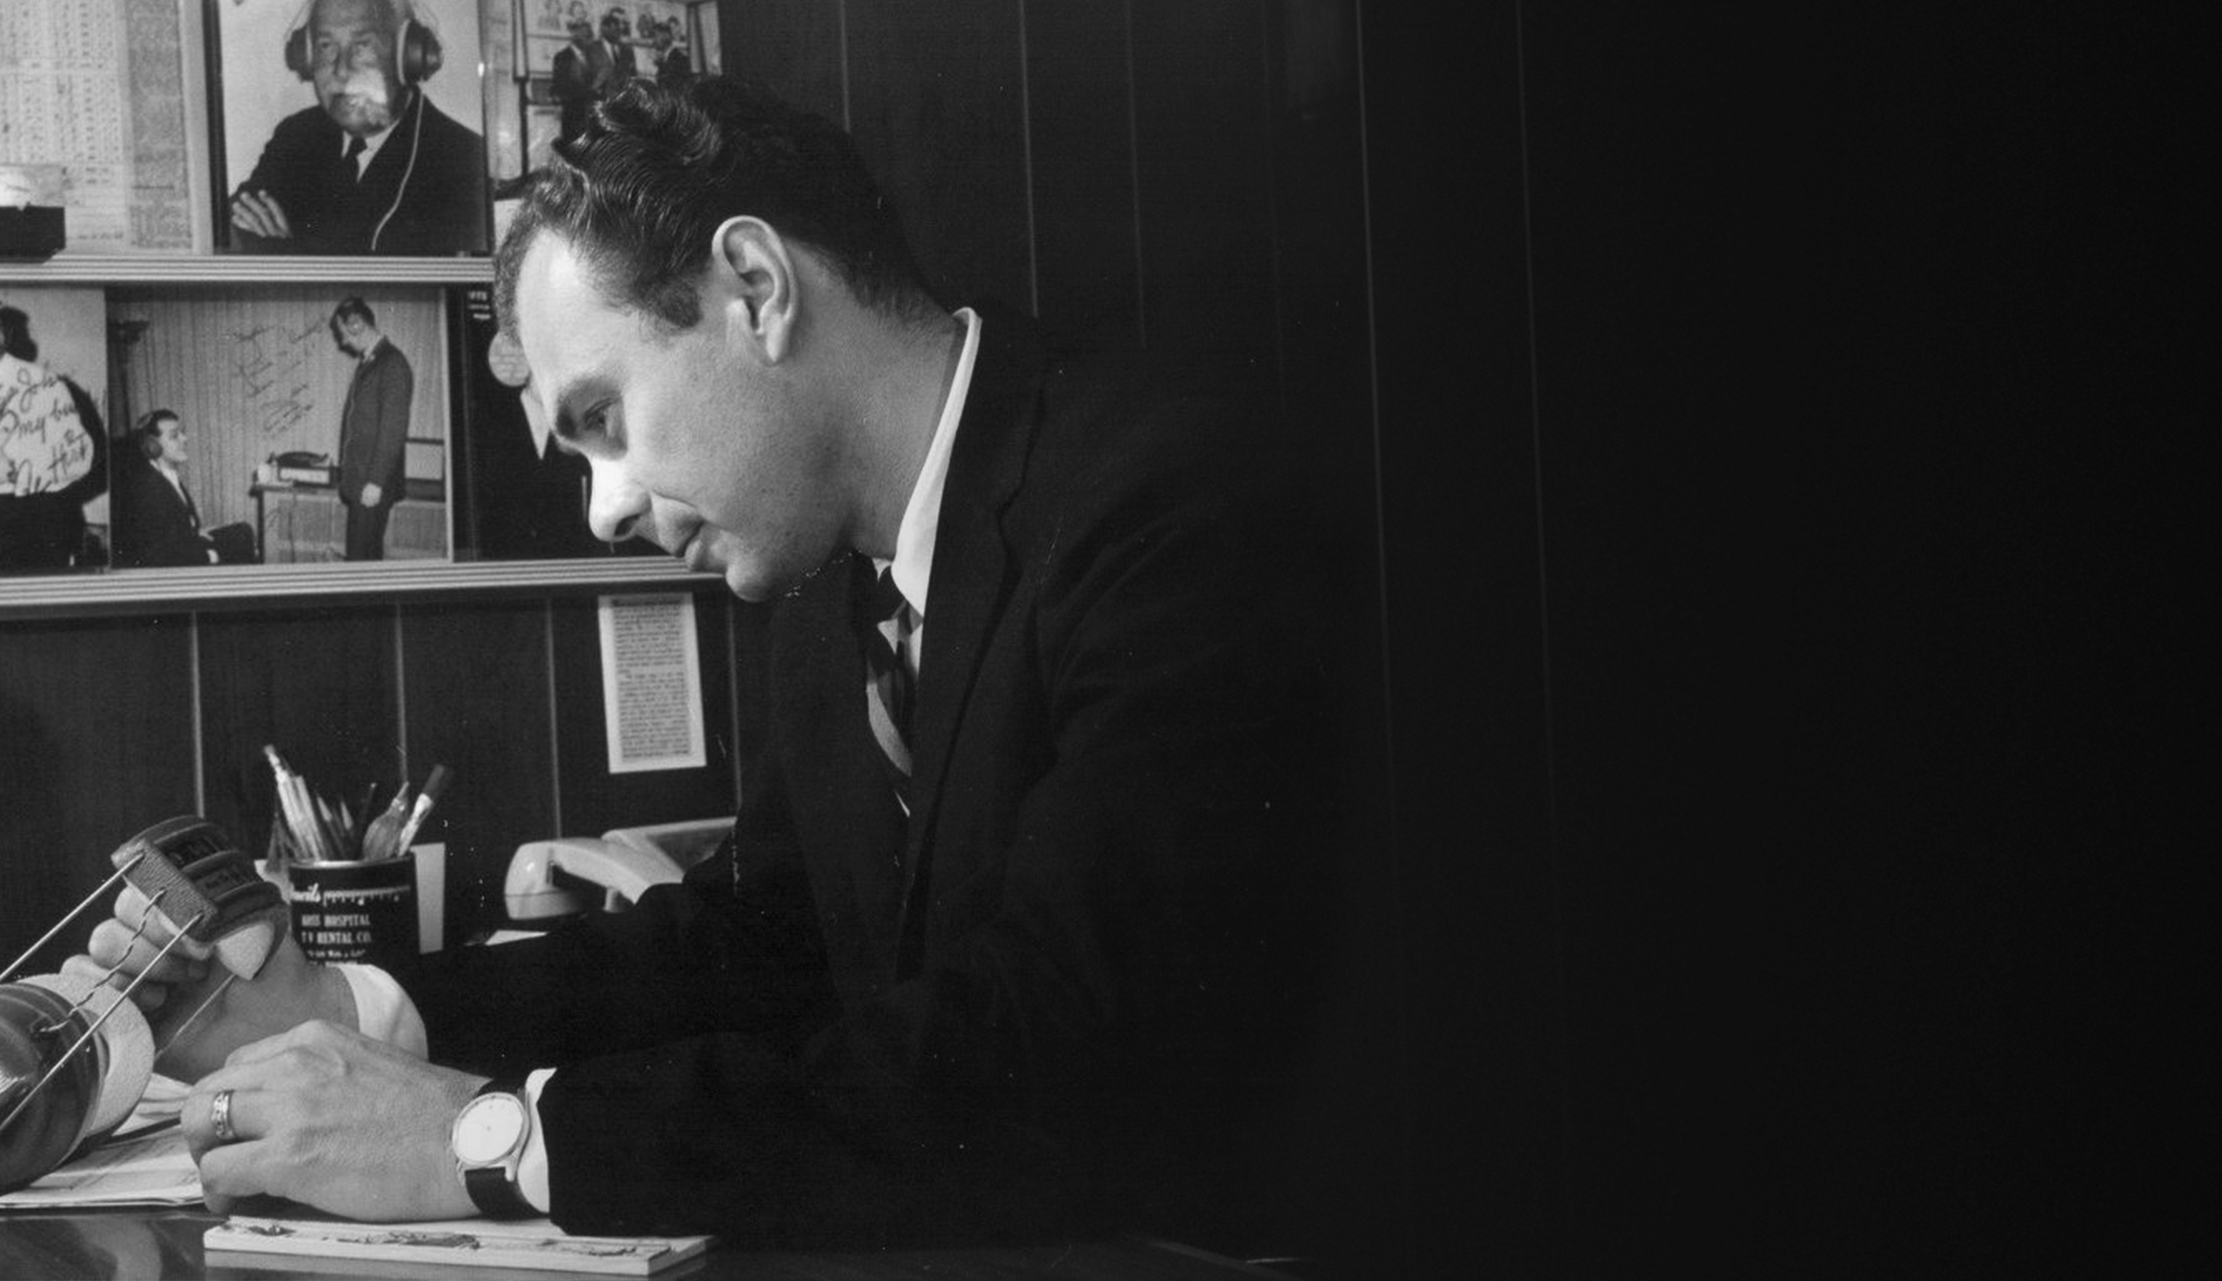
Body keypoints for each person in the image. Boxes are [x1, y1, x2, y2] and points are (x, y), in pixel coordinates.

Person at [74, 77, 1339, 1249]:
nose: (604, 510)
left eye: (603, 419)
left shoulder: (1168, 501)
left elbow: (1063, 1050)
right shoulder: (830, 574)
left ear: (756, 288)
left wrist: (489, 1139)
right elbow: (758, 946)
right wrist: (359, 1015)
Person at [231, 0, 489, 255]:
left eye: (362, 46)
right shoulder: (296, 135)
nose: (342, 71)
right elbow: (235, 225)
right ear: (305, 57)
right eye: (326, 46)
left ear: (408, 56)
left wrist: (292, 255)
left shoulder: (463, 161)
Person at [0, 304, 108, 570]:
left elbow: (79, 458)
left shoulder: (43, 383)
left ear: (3, 335)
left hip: (30, 521)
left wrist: (20, 473)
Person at [326, 297, 414, 560]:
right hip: (363, 481)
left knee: (360, 558)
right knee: (367, 557)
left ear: (356, 325)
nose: (343, 341)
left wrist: (375, 481)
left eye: (343, 333)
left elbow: (393, 429)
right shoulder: (372, 361)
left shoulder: (392, 363)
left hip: (371, 484)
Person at [108, 411, 223, 567]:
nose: (184, 439)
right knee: (240, 542)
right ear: (152, 445)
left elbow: (172, 526)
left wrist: (195, 531)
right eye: (174, 436)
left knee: (242, 532)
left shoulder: (165, 475)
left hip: (185, 545)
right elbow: (157, 553)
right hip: (173, 563)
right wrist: (210, 556)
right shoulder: (147, 487)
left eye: (182, 433)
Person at [546, 19, 616, 145]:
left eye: (590, 36)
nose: (589, 39)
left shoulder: (595, 57)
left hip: (593, 122)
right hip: (573, 120)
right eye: (585, 35)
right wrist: (590, 91)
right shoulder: (562, 57)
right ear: (574, 35)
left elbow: (604, 82)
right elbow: (561, 88)